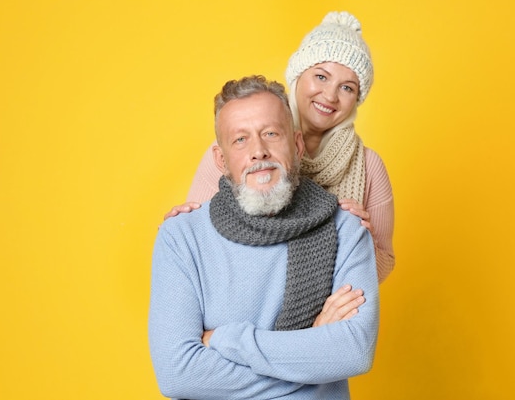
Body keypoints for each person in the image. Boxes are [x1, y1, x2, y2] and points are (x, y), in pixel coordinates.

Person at [149, 75, 379, 399]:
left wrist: (227, 341)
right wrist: (310, 354)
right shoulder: (181, 237)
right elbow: (178, 374)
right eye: (240, 140)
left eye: (270, 133)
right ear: (221, 160)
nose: (258, 151)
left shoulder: (346, 229)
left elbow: (354, 351)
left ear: (297, 146)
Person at [166, 11, 395, 283]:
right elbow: (200, 245)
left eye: (347, 87)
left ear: (357, 98)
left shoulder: (369, 167)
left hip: (332, 314)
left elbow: (383, 264)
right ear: (298, 76)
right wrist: (181, 229)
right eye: (321, 77)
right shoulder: (237, 152)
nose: (330, 95)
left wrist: (359, 239)